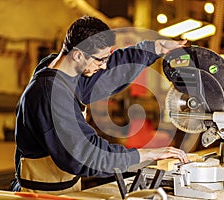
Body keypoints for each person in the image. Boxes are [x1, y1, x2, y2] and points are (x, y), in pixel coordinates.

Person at [11, 15, 188, 195]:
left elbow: (111, 72)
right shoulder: (50, 94)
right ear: (78, 54)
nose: (103, 66)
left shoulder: (66, 70)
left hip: (65, 189)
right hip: (40, 194)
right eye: (100, 60)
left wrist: (155, 48)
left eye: (105, 59)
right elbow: (86, 154)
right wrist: (145, 154)